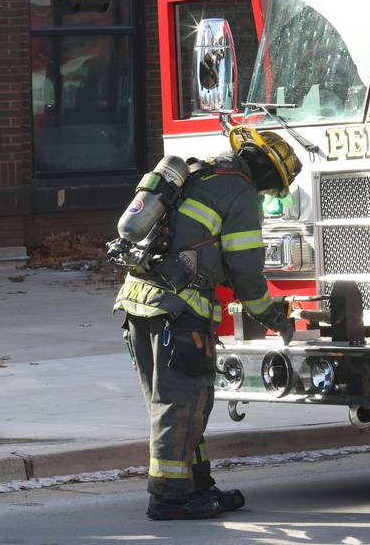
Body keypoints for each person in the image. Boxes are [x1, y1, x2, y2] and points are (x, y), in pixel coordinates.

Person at [113, 129, 300, 521]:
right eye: (273, 187)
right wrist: (271, 315)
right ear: (268, 174)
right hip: (179, 313)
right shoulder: (240, 192)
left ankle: (197, 486)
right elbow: (246, 272)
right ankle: (169, 497)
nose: (268, 194)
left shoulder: (201, 174)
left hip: (138, 305)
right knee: (179, 406)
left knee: (185, 406)